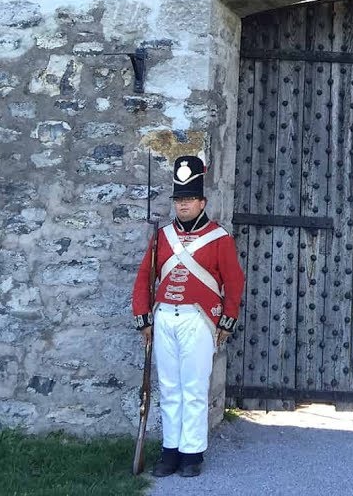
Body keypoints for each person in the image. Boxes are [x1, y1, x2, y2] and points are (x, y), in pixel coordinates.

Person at [132, 155, 245, 478]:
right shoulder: (162, 237)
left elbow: (234, 282)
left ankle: (192, 453)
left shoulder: (219, 238)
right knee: (169, 388)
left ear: (202, 201)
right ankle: (170, 451)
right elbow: (144, 278)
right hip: (166, 317)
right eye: (180, 199)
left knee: (194, 388)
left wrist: (227, 318)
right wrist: (144, 316)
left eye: (190, 199)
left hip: (199, 319)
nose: (184, 205)